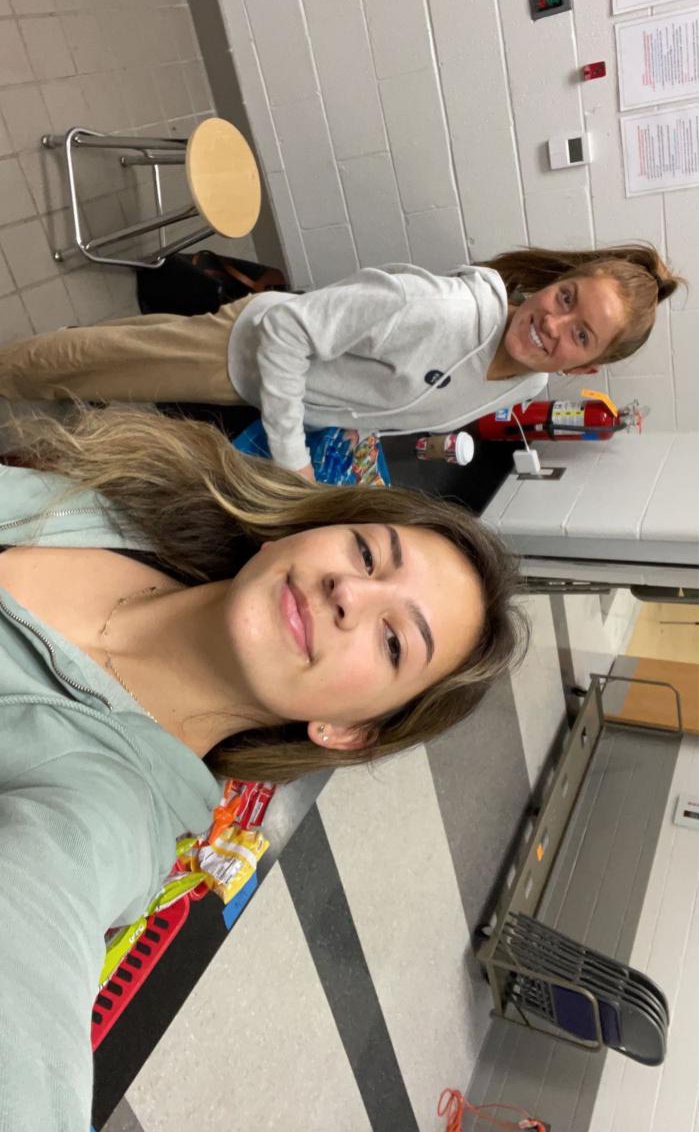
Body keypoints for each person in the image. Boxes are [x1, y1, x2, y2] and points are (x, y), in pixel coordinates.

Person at [0, 406, 525, 1132]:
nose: (350, 593)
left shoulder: (107, 807)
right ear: (303, 531)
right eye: (367, 554)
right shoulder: (128, 503)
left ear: (347, 731)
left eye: (394, 643)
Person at [1, 242, 682, 480]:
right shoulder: (440, 309)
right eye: (565, 298)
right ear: (555, 280)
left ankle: (55, 370)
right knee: (93, 362)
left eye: (580, 335)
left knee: (122, 359)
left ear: (583, 370)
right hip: (248, 350)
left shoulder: (525, 384)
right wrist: (293, 461)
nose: (552, 324)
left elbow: (413, 399)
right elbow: (288, 330)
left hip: (269, 390)